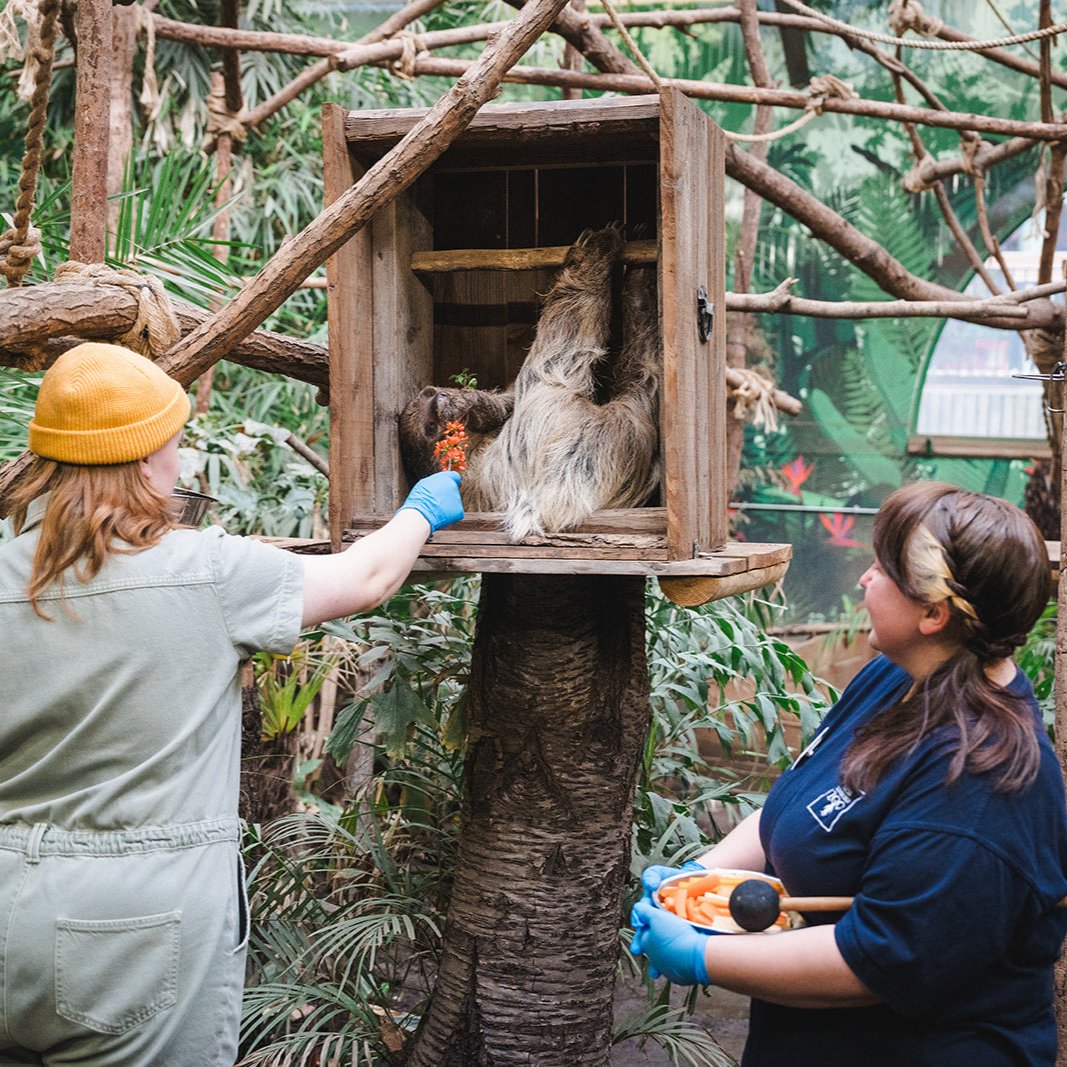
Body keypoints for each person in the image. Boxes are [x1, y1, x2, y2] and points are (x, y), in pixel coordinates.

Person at [0, 342, 464, 1065]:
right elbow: (368, 576)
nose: (178, 464)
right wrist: (422, 509)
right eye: (172, 445)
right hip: (131, 925)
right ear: (144, 460)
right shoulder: (205, 572)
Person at [631, 481, 1067, 1066]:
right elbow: (799, 801)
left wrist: (701, 957)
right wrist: (696, 880)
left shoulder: (979, 779)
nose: (864, 579)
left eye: (883, 569)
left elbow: (880, 960)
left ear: (933, 613)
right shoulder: (901, 678)